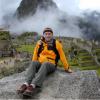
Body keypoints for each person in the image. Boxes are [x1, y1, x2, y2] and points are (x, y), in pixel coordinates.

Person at [17, 28, 73, 96]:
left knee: (45, 64)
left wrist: (67, 68)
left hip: (51, 65)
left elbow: (62, 56)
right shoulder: (40, 43)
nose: (48, 35)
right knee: (33, 62)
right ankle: (26, 83)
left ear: (52, 35)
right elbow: (35, 54)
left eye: (49, 34)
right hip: (41, 63)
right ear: (43, 35)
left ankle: (33, 85)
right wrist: (34, 65)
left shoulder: (56, 43)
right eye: (46, 34)